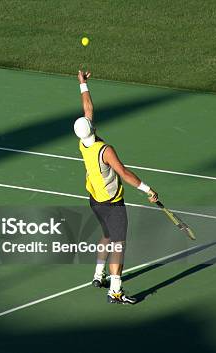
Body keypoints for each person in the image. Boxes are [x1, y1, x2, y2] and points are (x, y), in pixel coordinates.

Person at [74, 70, 159, 304]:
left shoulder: (83, 144)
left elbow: (87, 110)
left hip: (94, 200)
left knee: (107, 236)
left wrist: (83, 84)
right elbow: (123, 173)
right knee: (119, 245)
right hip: (112, 204)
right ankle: (115, 290)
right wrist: (148, 189)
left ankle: (97, 275)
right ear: (92, 129)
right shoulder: (105, 150)